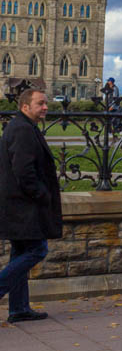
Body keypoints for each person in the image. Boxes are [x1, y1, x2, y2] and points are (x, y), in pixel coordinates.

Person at [0, 89, 62, 323]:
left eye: (46, 103)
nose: (45, 107)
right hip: (22, 205)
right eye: (40, 103)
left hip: (19, 204)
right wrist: (41, 194)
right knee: (37, 250)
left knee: (21, 252)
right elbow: (24, 171)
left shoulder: (23, 127)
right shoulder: (22, 130)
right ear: (25, 106)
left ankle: (18, 308)